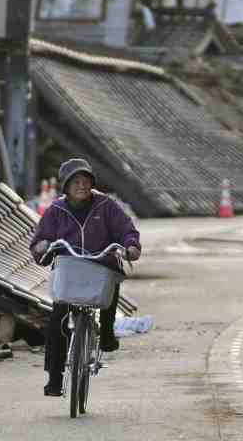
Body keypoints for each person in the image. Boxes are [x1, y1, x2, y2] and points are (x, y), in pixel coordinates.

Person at [29, 158, 142, 397]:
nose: (82, 186)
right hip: (69, 268)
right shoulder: (56, 211)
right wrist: (41, 246)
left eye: (86, 181)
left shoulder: (106, 206)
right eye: (76, 182)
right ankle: (55, 378)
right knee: (58, 320)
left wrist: (131, 245)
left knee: (110, 289)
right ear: (66, 187)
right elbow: (41, 237)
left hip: (101, 264)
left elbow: (126, 229)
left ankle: (107, 335)